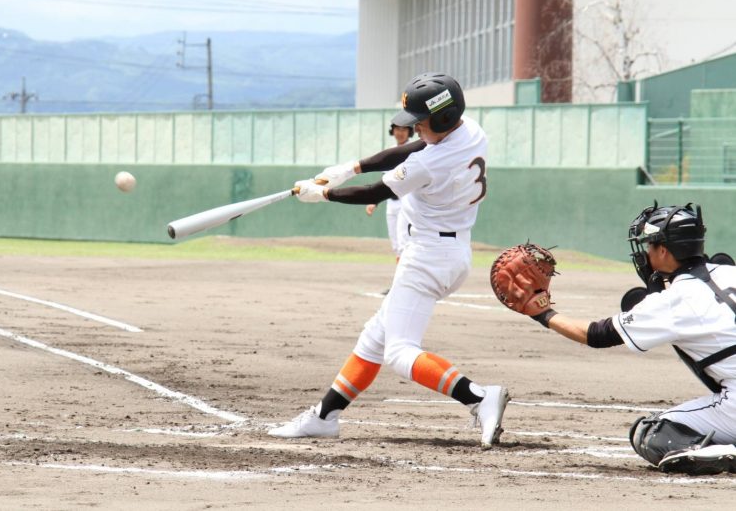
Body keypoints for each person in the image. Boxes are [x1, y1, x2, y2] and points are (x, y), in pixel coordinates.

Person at [268, 72, 510, 449]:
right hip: (451, 252)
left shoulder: (431, 164)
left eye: (421, 123)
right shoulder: (470, 131)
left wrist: (325, 195)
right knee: (374, 339)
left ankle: (478, 397)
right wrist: (349, 167)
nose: (414, 130)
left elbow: (377, 192)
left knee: (399, 353)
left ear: (442, 119)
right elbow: (412, 150)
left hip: (427, 257)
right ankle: (325, 416)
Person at [521, 202, 736, 475]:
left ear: (663, 250)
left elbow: (596, 335)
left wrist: (542, 313)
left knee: (651, 432)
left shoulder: (671, 301)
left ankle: (722, 452)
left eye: (649, 244)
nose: (645, 251)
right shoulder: (729, 272)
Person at [365, 124, 415, 268]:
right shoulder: (390, 150)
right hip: (391, 201)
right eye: (397, 129)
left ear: (410, 131)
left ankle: (405, 281)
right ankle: (400, 282)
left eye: (404, 129)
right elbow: (385, 180)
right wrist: (375, 200)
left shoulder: (413, 150)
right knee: (396, 244)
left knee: (403, 241)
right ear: (392, 130)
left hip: (406, 200)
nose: (400, 132)